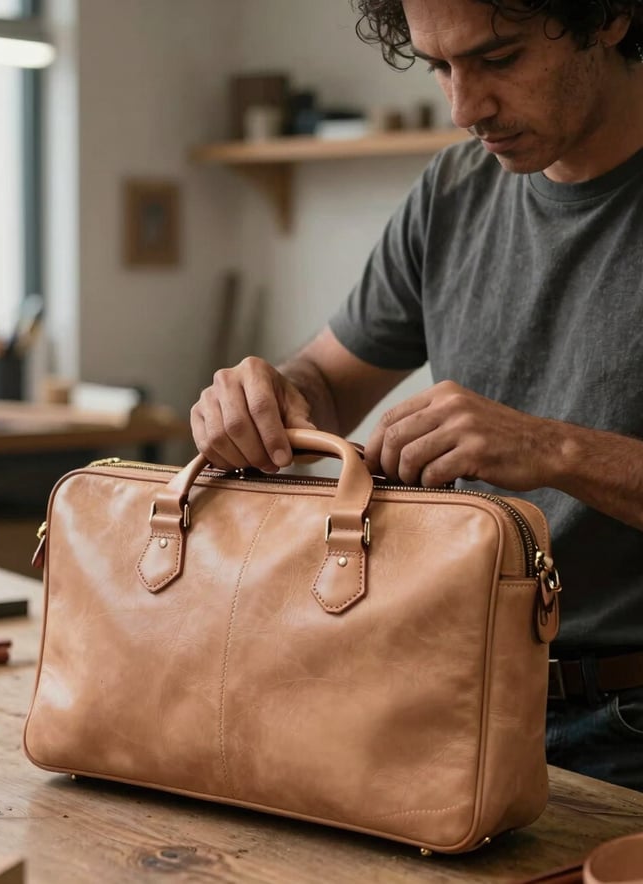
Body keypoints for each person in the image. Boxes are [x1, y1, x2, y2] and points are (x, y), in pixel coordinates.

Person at [190, 0, 643, 791]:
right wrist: (266, 395)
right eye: (440, 66)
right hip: (456, 692)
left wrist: (553, 449)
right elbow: (326, 383)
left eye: (498, 59)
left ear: (609, 17)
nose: (466, 109)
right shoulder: (456, 189)